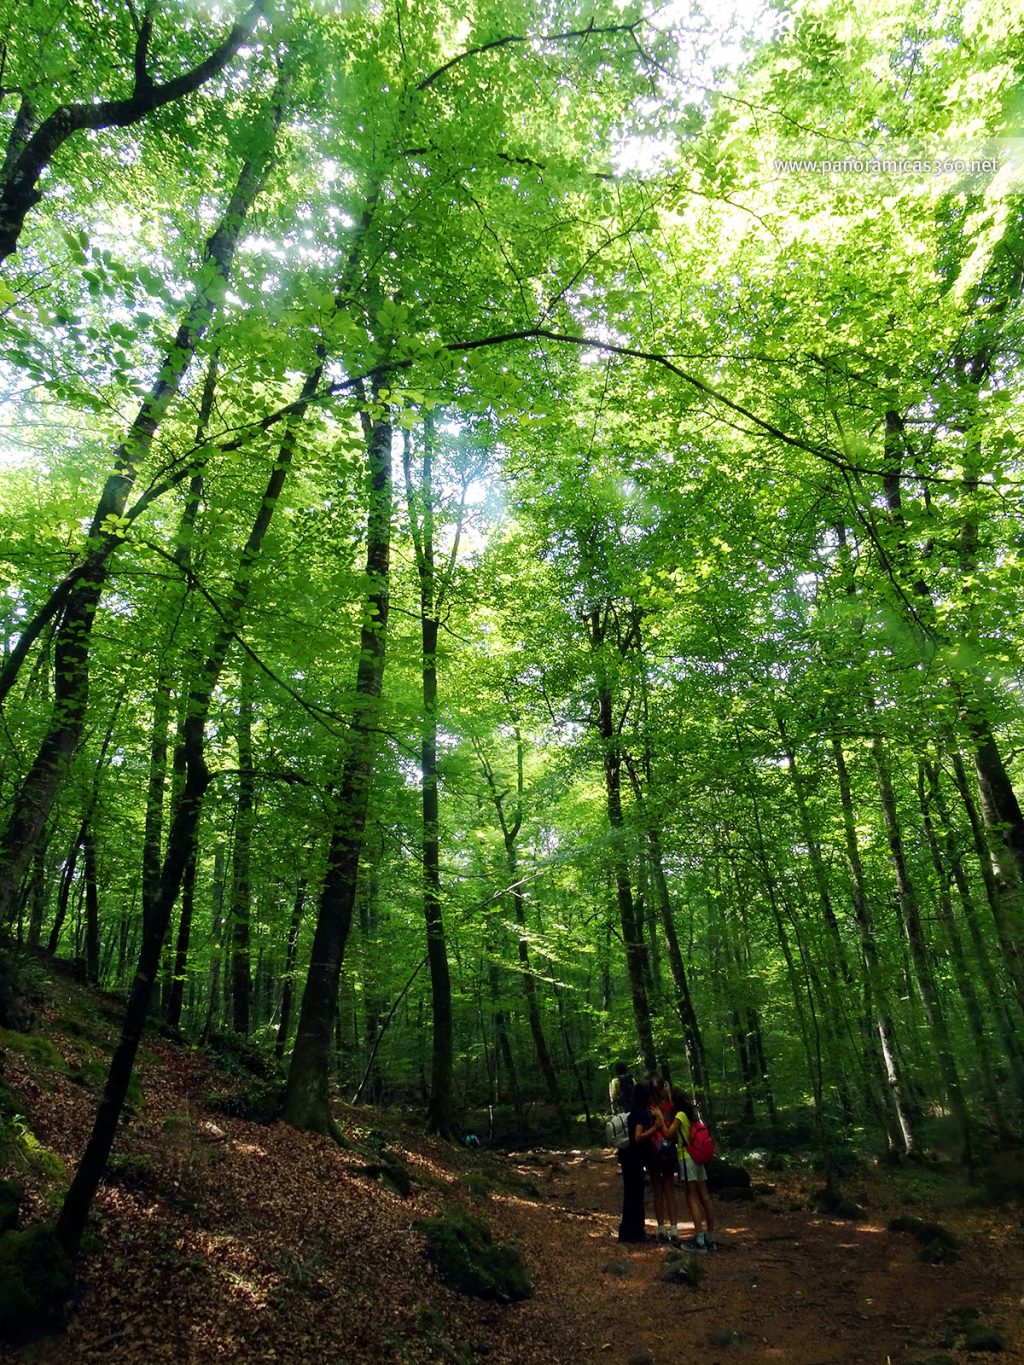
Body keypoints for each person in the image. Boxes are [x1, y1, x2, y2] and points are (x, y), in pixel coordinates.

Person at [667, 1088, 717, 1252]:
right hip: (697, 1157)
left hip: (686, 1158)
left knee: (692, 1198)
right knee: (705, 1196)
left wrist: (661, 1120)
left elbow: (669, 1134)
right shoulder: (691, 1115)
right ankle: (710, 1238)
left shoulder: (680, 1115)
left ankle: (700, 1241)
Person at [617, 1081, 659, 1243]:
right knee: (636, 1194)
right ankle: (636, 1232)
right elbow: (638, 1136)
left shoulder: (630, 1110)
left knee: (630, 1194)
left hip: (626, 1157)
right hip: (633, 1158)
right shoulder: (641, 1113)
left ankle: (626, 1231)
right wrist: (655, 1128)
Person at [645, 1082, 681, 1245]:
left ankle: (662, 1229)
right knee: (668, 1190)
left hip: (654, 1152)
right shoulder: (670, 1107)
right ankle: (673, 1230)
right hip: (667, 1152)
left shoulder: (650, 1108)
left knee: (659, 1190)